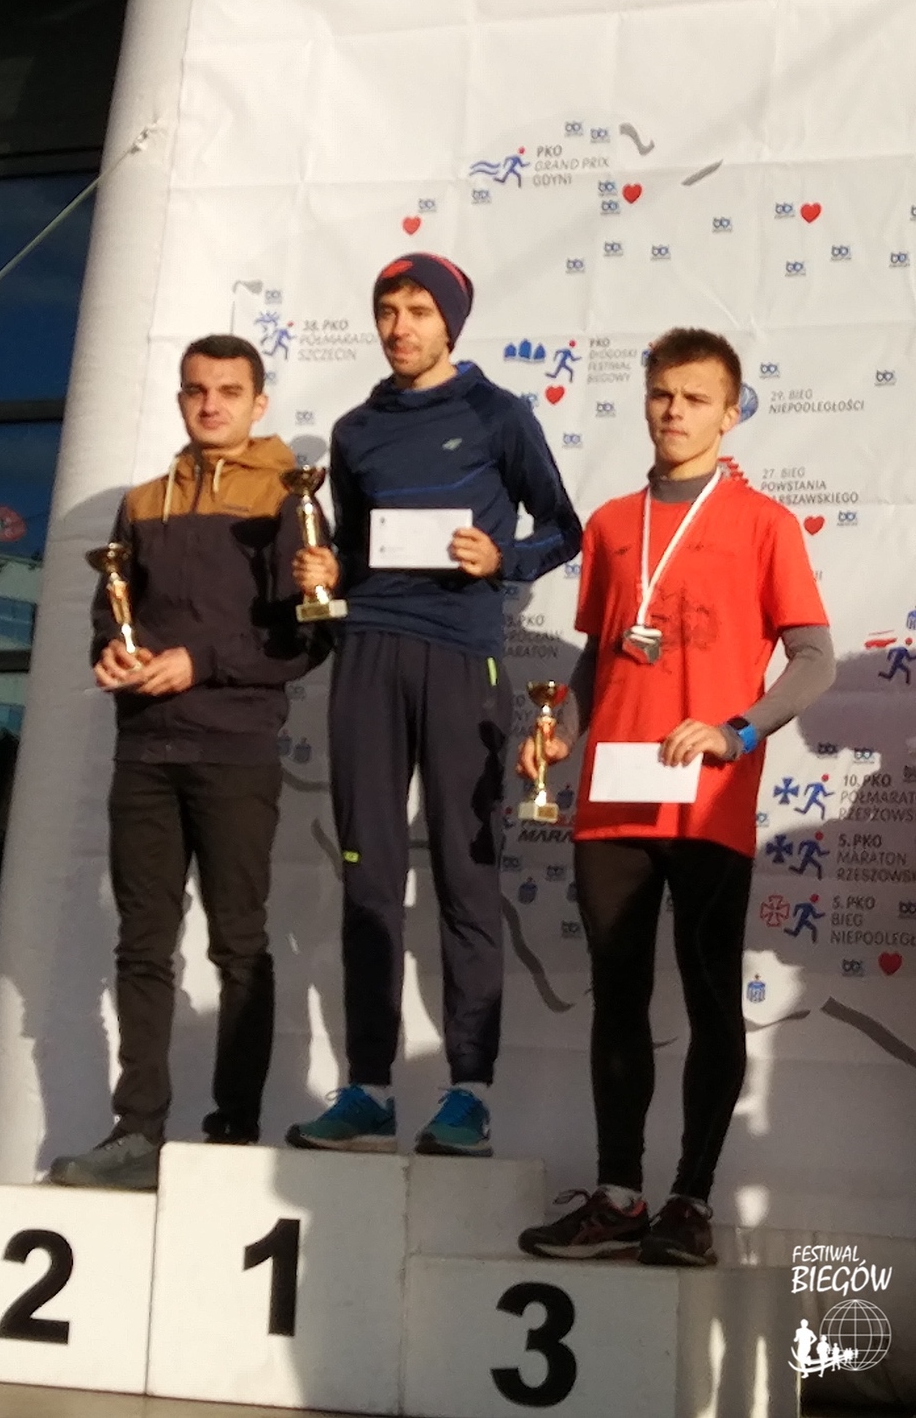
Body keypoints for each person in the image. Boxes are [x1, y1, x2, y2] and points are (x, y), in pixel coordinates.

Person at [517, 327, 834, 1264]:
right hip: (611, 799)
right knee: (615, 999)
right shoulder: (612, 523)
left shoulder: (764, 523)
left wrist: (738, 730)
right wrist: (561, 731)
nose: (674, 411)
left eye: (695, 398)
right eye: (662, 394)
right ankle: (617, 1195)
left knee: (707, 999)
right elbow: (600, 658)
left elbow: (813, 660)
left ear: (729, 414)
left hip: (707, 800)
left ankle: (690, 1202)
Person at [286, 252, 581, 1157]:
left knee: (465, 874)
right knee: (368, 877)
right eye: (387, 309)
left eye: (417, 310)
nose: (398, 326)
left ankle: (468, 1093)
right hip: (368, 653)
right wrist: (329, 570)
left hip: (460, 657)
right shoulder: (355, 429)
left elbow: (563, 529)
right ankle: (368, 1088)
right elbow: (358, 551)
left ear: (449, 321)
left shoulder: (498, 414)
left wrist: (503, 560)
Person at [50, 334, 329, 1190]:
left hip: (234, 751)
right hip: (144, 749)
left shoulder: (287, 497)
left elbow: (305, 638)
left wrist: (197, 662)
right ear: (180, 399)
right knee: (141, 947)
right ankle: (136, 1132)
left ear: (258, 403)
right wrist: (112, 652)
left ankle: (233, 1134)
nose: (211, 404)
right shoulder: (142, 502)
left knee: (239, 946)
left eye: (228, 391)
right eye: (196, 390)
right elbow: (112, 612)